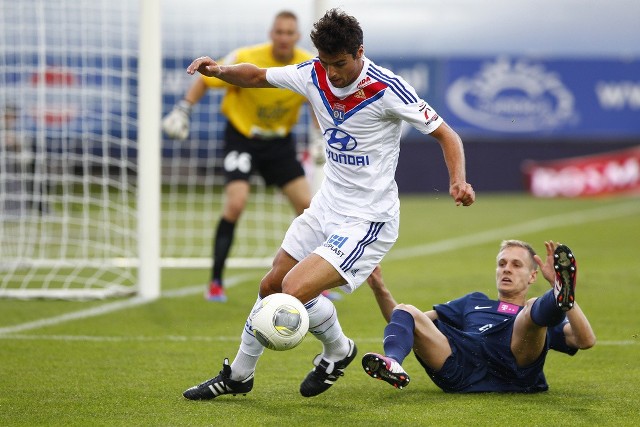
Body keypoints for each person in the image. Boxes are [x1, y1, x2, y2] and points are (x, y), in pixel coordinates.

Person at [181, 8, 475, 400]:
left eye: (339, 64)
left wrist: (458, 180)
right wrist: (219, 71)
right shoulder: (313, 73)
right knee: (270, 285)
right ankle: (252, 372)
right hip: (326, 207)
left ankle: (329, 353)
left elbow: (447, 135)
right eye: (326, 62)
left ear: (359, 53)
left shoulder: (388, 89)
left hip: (367, 219)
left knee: (292, 289)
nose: (332, 73)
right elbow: (255, 76)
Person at [162, 11, 322, 302]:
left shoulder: (306, 63)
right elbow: (207, 79)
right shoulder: (249, 56)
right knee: (235, 204)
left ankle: (314, 283)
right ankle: (215, 282)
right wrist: (183, 109)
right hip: (242, 138)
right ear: (271, 33)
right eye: (279, 32)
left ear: (296, 36)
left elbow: (314, 97)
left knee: (308, 208)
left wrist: (319, 136)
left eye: (289, 33)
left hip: (279, 144)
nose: (284, 38)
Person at [362, 240, 596, 393]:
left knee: (532, 310)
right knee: (406, 310)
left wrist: (564, 295)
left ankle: (559, 294)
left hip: (514, 366)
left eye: (516, 265)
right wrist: (379, 288)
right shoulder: (474, 301)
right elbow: (406, 323)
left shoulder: (536, 316)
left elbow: (585, 341)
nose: (506, 269)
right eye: (502, 263)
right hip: (461, 367)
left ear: (532, 276)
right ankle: (392, 363)